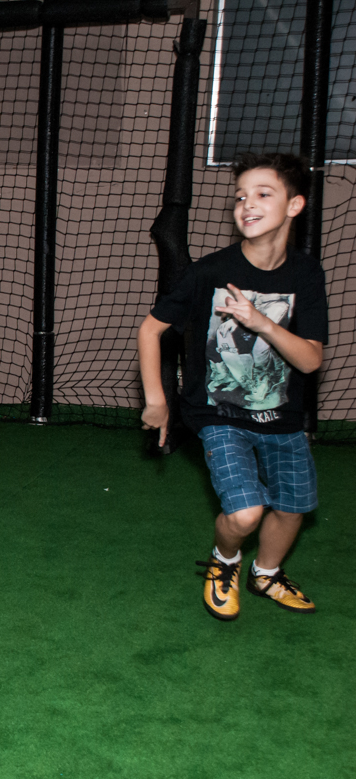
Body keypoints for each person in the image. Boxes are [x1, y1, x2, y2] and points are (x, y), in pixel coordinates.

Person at [137, 152, 327, 621]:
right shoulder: (209, 271)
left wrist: (261, 322)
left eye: (264, 194)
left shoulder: (306, 275)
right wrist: (157, 401)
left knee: (293, 508)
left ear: (295, 205)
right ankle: (225, 564)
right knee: (245, 513)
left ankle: (267, 574)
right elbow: (150, 330)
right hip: (217, 414)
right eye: (240, 196)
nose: (247, 204)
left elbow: (310, 357)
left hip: (282, 414)